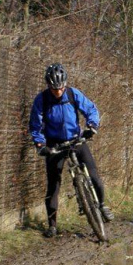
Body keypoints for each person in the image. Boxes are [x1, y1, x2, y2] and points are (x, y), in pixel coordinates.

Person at [29, 63, 114, 238]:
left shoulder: (73, 94)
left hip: (76, 140)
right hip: (55, 145)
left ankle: (102, 204)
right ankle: (52, 225)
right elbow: (35, 126)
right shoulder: (42, 100)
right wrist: (40, 145)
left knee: (94, 176)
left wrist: (92, 125)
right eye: (54, 89)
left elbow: (91, 109)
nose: (58, 92)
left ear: (65, 84)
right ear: (48, 86)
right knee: (53, 186)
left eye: (60, 88)